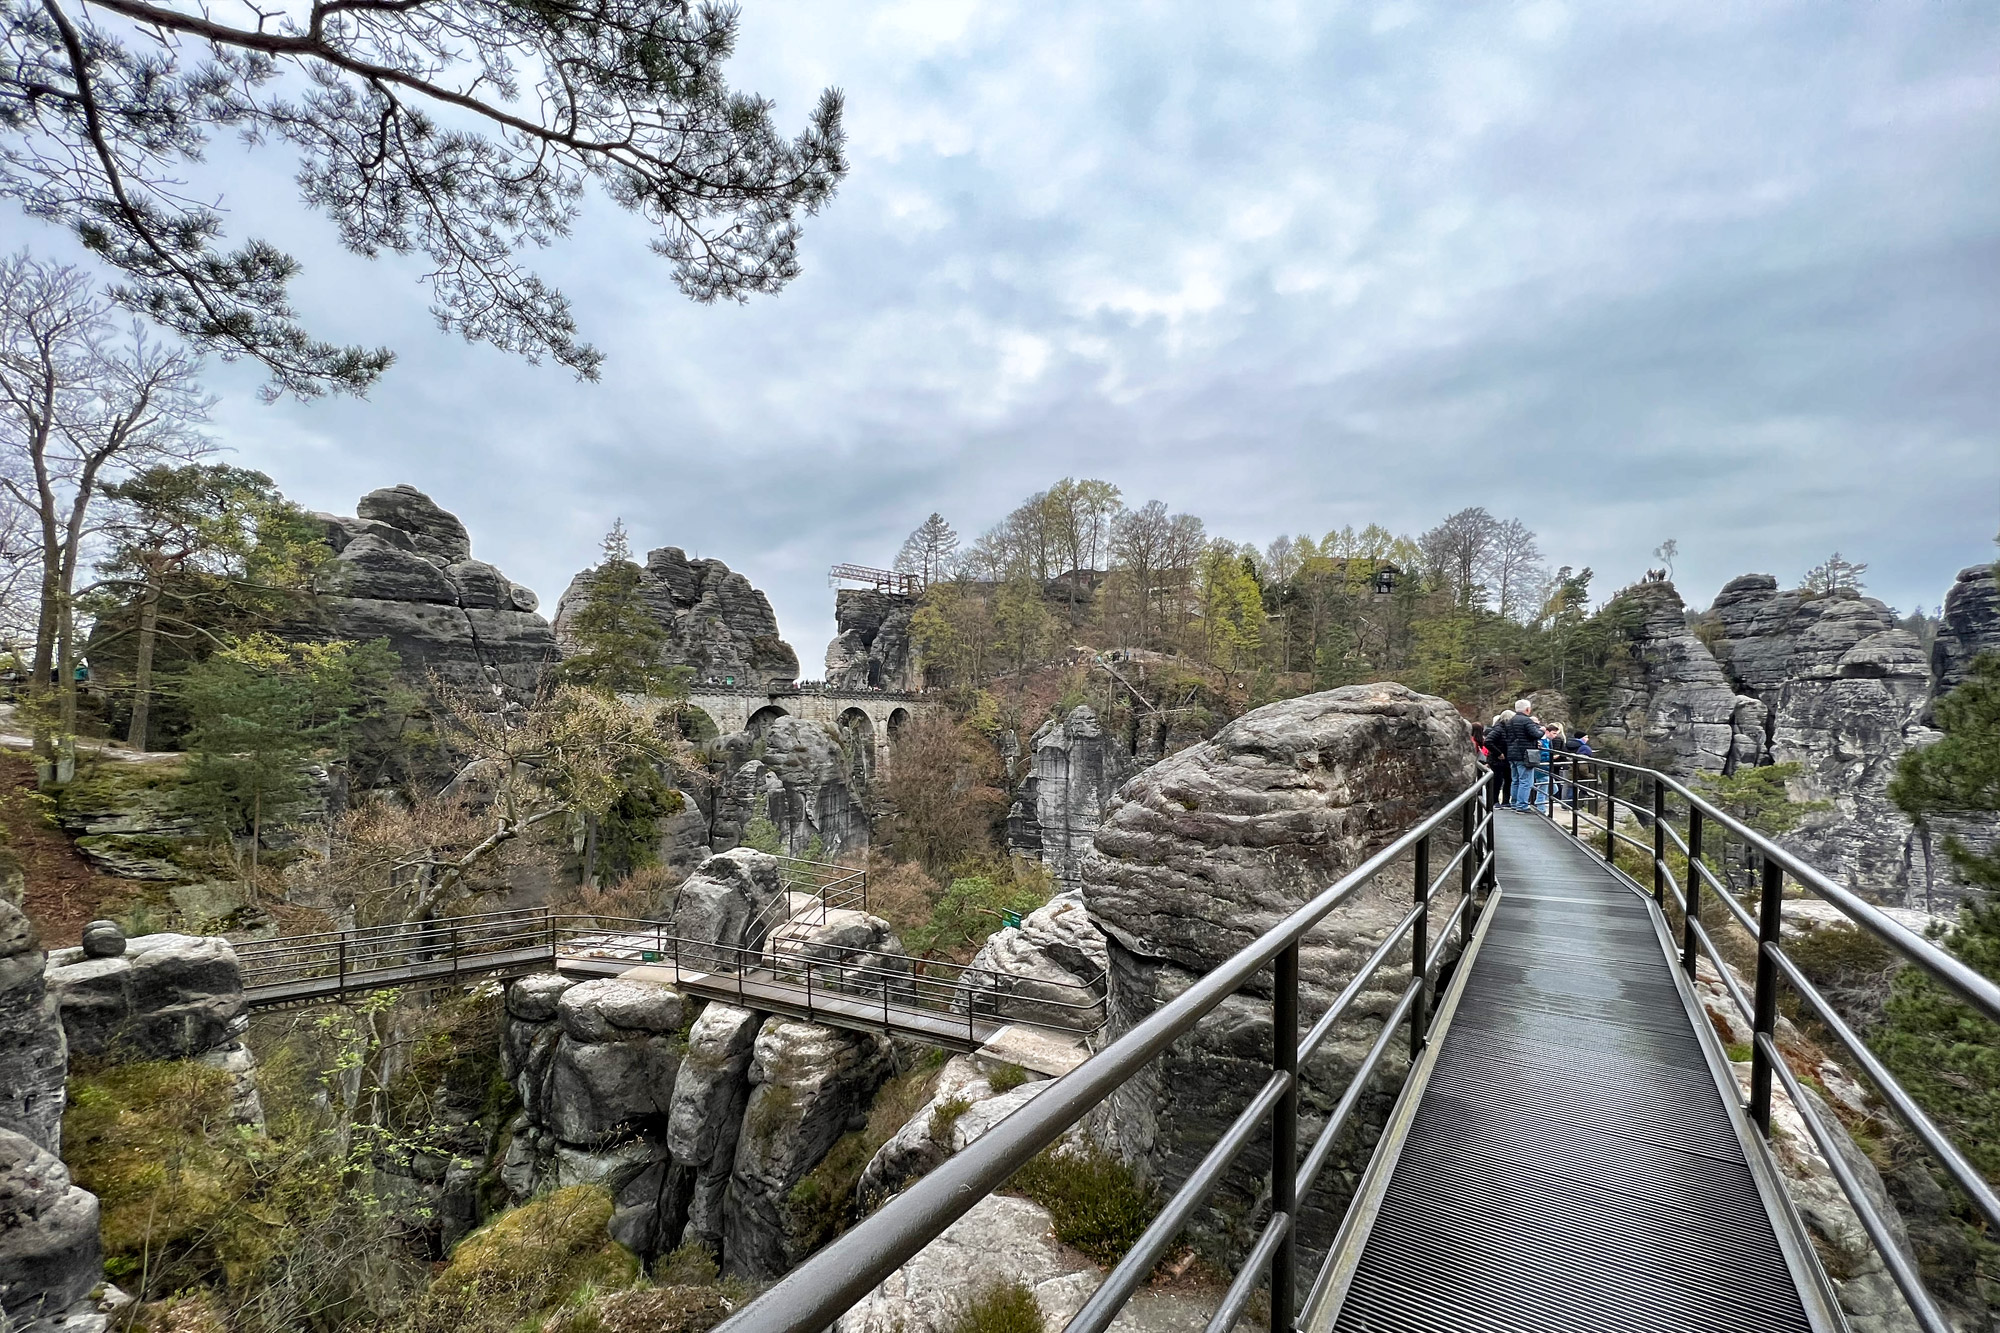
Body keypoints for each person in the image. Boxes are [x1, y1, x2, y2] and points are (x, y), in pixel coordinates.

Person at [1499, 700, 1545, 810]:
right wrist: (1542, 730)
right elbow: (1535, 734)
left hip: (1512, 754)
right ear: (1528, 709)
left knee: (1515, 780)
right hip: (1525, 755)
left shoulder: (1510, 721)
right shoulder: (1526, 721)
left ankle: (1514, 803)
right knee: (1525, 781)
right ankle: (1522, 805)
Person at [1484, 711, 1513, 806]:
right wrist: (1498, 753)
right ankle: (1494, 801)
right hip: (1497, 759)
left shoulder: (1504, 729)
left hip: (1505, 759)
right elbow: (1488, 742)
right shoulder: (1498, 730)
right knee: (1498, 781)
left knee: (1508, 780)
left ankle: (1505, 801)